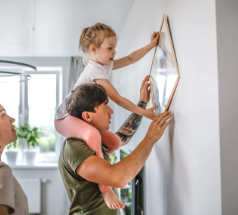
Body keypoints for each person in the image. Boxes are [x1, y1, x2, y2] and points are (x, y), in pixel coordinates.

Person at [55, 22, 161, 208]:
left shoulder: (105, 65)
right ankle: (105, 189)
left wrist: (151, 45)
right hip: (64, 117)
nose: (114, 52)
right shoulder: (95, 70)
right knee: (93, 135)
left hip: (79, 118)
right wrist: (145, 112)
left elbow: (129, 59)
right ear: (93, 49)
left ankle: (101, 158)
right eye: (110, 48)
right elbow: (118, 99)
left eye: (115, 48)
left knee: (115, 141)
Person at [58, 78, 173, 214]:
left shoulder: (94, 141)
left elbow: (123, 136)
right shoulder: (73, 147)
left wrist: (142, 104)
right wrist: (150, 139)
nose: (111, 111)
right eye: (105, 106)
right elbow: (117, 178)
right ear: (87, 116)